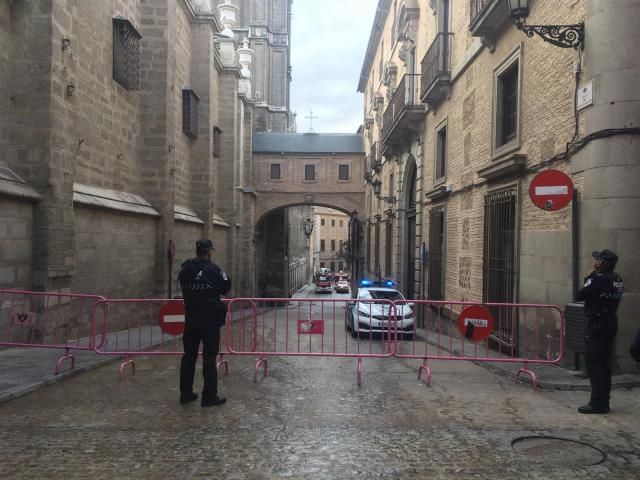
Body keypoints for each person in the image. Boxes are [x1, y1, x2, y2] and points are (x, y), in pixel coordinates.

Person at [178, 239, 231, 407]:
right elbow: (226, 286)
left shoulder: (185, 269)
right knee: (209, 357)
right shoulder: (213, 269)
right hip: (209, 321)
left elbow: (183, 285)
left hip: (191, 319)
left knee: (189, 356)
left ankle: (185, 393)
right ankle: (209, 395)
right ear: (208, 252)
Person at [576, 249, 624, 414]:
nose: (594, 262)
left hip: (597, 324)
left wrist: (588, 278)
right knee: (604, 363)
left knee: (594, 362)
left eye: (597, 260)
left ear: (603, 263)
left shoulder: (598, 279)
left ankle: (597, 403)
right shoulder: (617, 279)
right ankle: (604, 401)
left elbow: (580, 294)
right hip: (610, 321)